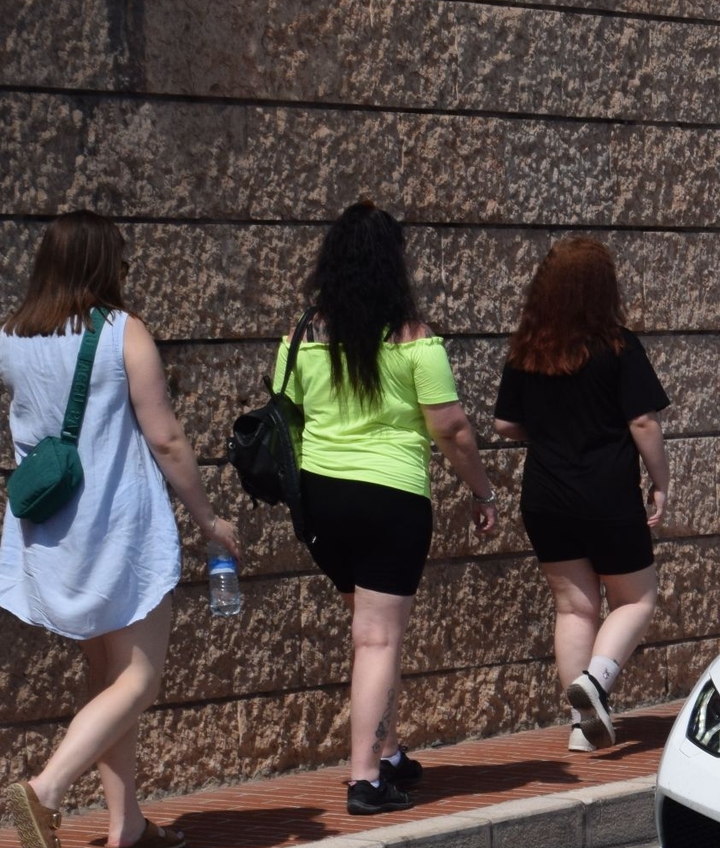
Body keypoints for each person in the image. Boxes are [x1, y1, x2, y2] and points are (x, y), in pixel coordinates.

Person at [0, 214, 241, 848]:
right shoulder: (123, 333)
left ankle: (126, 822)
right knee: (139, 676)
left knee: (103, 675)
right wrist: (208, 519)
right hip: (120, 525)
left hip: (57, 527)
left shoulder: (14, 337)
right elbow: (164, 437)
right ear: (105, 264)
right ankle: (47, 788)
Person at [282, 202, 499, 815]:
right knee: (377, 641)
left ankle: (391, 752)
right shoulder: (414, 340)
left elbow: (289, 417)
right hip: (390, 497)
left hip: (322, 502)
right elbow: (452, 428)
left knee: (371, 633)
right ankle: (365, 780)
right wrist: (482, 490)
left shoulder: (302, 337)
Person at [491, 236, 670, 753]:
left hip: (546, 495)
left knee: (574, 609)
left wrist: (551, 430)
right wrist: (661, 482)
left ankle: (581, 726)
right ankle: (597, 681)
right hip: (607, 492)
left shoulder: (529, 349)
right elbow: (642, 420)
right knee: (637, 597)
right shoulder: (618, 346)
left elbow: (505, 423)